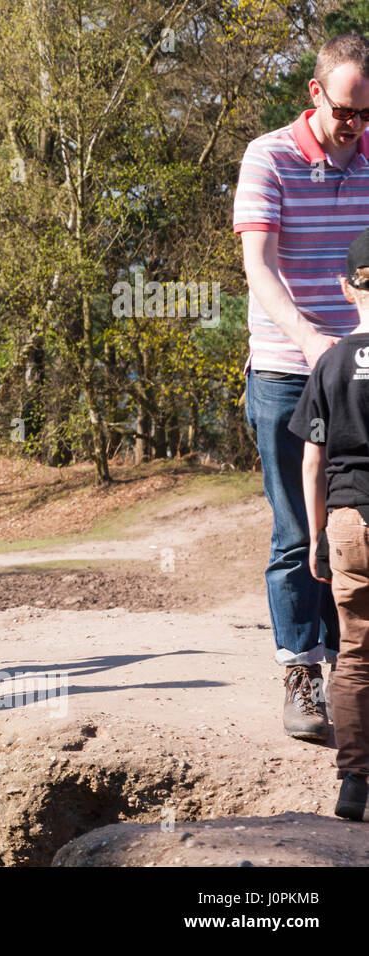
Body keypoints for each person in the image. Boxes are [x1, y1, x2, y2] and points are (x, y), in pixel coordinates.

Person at [235, 34, 369, 740]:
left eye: (366, 114)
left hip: (361, 370)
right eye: (347, 110)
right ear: (316, 94)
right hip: (287, 369)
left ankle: (353, 674)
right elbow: (259, 266)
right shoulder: (270, 157)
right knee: (298, 528)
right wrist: (312, 340)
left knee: (357, 523)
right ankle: (300, 676)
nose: (355, 126)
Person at [290, 227, 369, 820]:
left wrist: (317, 534)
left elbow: (312, 460)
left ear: (347, 287)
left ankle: (354, 786)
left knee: (355, 654)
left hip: (349, 521)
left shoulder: (330, 363)